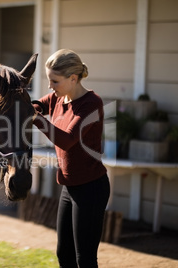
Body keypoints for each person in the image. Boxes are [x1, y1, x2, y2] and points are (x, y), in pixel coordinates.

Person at [32, 49, 110, 267]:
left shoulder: (91, 103)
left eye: (54, 81)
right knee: (63, 254)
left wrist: (35, 119)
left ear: (73, 78)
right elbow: (37, 105)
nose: (50, 87)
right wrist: (26, 106)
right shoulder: (59, 98)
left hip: (91, 188)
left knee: (84, 258)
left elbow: (66, 140)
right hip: (70, 187)